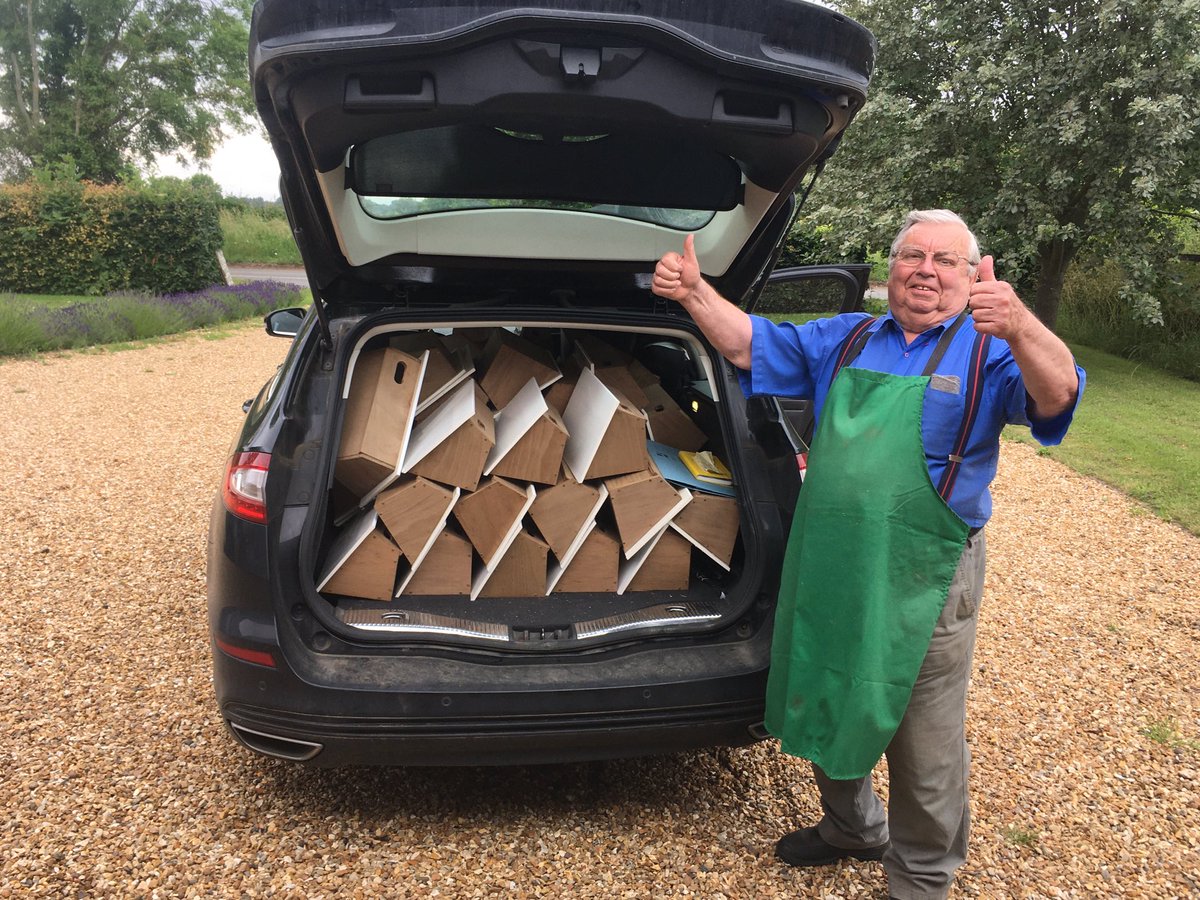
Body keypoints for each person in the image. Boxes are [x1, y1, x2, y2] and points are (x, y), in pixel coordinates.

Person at [652, 210, 1084, 900]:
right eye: (914, 255)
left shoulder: (988, 350)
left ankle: (920, 879)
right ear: (891, 270)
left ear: (972, 276)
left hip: (928, 570)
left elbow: (1059, 394)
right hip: (834, 558)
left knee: (924, 738)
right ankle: (852, 826)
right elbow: (747, 346)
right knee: (828, 687)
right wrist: (693, 294)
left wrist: (1021, 324)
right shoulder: (849, 336)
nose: (927, 270)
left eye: (947, 260)